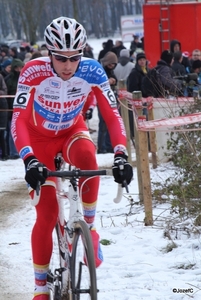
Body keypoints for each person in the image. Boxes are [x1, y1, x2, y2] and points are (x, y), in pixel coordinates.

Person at [11, 17, 133, 300]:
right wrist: (29, 159)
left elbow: (112, 114)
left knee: (88, 156)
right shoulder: (32, 72)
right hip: (37, 138)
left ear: (82, 54)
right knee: (48, 212)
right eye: (61, 58)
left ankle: (88, 227)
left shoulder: (92, 71)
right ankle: (41, 288)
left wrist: (120, 155)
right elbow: (17, 119)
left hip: (70, 131)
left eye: (74, 58)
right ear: (49, 54)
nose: (68, 65)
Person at [98, 51, 118, 153]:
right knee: (103, 124)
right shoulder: (100, 69)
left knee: (110, 122)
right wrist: (108, 81)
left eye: (113, 65)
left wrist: (113, 80)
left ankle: (109, 146)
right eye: (110, 64)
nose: (111, 66)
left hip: (109, 98)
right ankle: (101, 148)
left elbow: (116, 79)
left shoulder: (110, 70)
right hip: (101, 99)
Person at [5, 58, 24, 159]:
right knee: (11, 133)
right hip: (11, 109)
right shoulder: (8, 79)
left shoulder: (24, 78)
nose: (19, 69)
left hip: (24, 110)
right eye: (17, 67)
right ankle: (13, 152)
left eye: (21, 67)